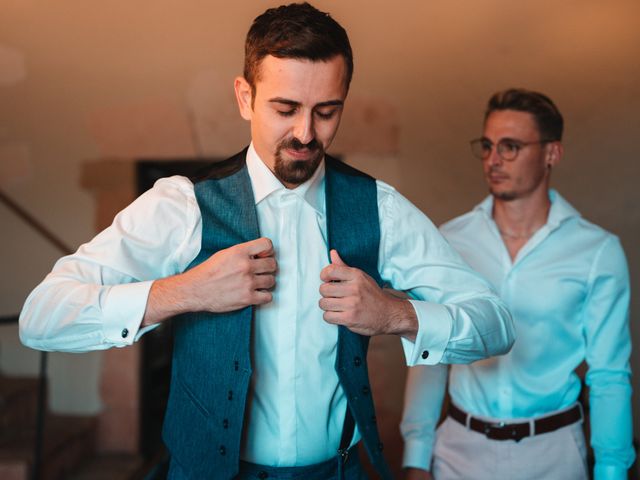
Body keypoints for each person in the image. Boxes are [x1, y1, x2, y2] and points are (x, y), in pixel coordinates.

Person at [19, 3, 515, 479]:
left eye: (326, 111)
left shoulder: (379, 208)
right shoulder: (182, 206)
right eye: (286, 108)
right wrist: (186, 292)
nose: (305, 132)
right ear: (244, 97)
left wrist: (394, 314)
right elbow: (42, 317)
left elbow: (494, 324)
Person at [401, 88, 635, 480]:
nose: (493, 160)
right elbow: (431, 353)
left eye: (510, 147)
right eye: (488, 145)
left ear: (551, 154)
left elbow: (610, 374)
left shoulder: (597, 251)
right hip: (460, 450)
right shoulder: (450, 240)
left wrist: (612, 470)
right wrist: (416, 455)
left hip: (555, 453)